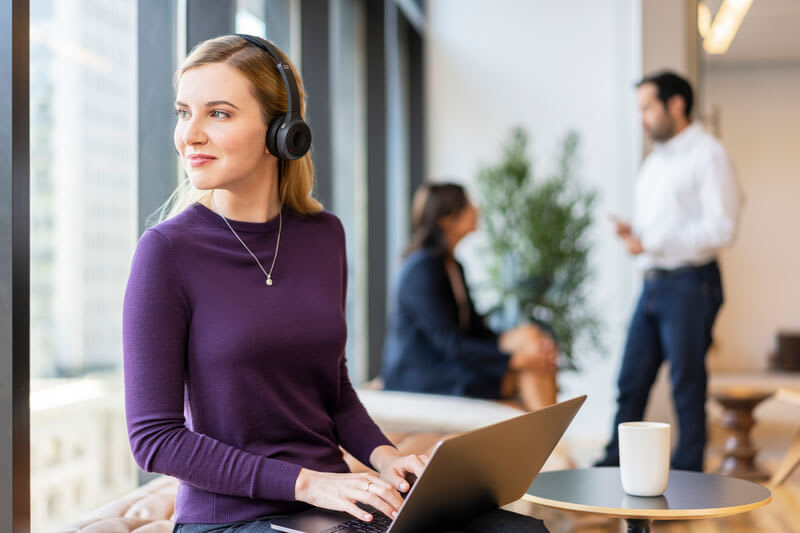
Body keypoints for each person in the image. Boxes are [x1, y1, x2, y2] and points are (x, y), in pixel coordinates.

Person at [123, 34, 549, 532]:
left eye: (217, 113)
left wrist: (387, 458)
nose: (189, 134)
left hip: (329, 507)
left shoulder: (325, 236)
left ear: (283, 130)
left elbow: (334, 389)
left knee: (518, 530)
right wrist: (309, 482)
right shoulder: (166, 253)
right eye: (183, 112)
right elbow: (154, 438)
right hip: (233, 518)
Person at [595, 71, 741, 472]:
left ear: (675, 104)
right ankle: (612, 467)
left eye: (647, 107)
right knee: (631, 381)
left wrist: (653, 242)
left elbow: (722, 228)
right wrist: (637, 238)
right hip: (654, 283)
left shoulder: (708, 154)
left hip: (693, 284)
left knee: (686, 386)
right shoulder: (655, 162)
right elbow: (659, 232)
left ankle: (689, 476)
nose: (641, 117)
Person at [381, 182, 558, 412]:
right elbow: (450, 343)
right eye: (467, 205)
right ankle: (553, 442)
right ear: (446, 220)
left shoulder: (453, 266)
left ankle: (550, 441)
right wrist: (517, 359)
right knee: (529, 367)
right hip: (425, 373)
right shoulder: (421, 269)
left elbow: (476, 331)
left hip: (449, 360)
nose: (477, 210)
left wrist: (528, 347)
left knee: (531, 337)